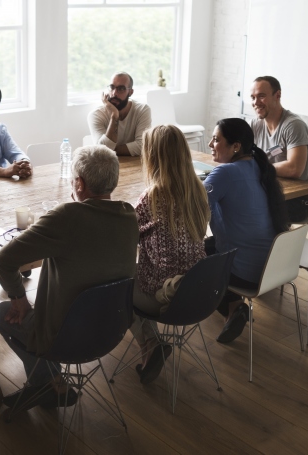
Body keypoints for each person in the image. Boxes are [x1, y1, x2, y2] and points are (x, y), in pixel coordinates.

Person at [0, 145, 138, 410]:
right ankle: (51, 382)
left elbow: (4, 260)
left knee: (2, 313)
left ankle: (49, 383)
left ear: (79, 184)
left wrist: (19, 300)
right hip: (111, 330)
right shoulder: (129, 214)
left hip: (65, 337)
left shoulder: (68, 216)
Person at [130, 125, 210, 384]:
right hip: (197, 289)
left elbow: (126, 238)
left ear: (152, 157)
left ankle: (150, 344)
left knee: (114, 282)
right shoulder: (198, 190)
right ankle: (153, 345)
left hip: (163, 295)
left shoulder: (151, 198)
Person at [204, 118, 289, 344]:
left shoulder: (224, 173)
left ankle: (232, 308)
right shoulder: (261, 168)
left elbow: (193, 205)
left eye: (216, 139)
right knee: (209, 247)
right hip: (273, 267)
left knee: (190, 256)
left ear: (236, 146)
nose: (210, 144)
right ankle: (234, 310)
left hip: (246, 274)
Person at [249, 76, 308, 222]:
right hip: (267, 190)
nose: (255, 103)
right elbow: (245, 159)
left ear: (277, 95)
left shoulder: (294, 125)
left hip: (296, 200)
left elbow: (294, 168)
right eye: (253, 97)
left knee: (243, 206)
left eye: (261, 96)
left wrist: (261, 167)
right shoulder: (255, 124)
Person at [88, 72, 152, 156]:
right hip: (106, 167)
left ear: (130, 92)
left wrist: (111, 149)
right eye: (112, 87)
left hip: (133, 165)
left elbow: (142, 146)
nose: (114, 93)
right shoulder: (96, 115)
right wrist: (114, 116)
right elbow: (102, 152)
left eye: (121, 89)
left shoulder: (142, 110)